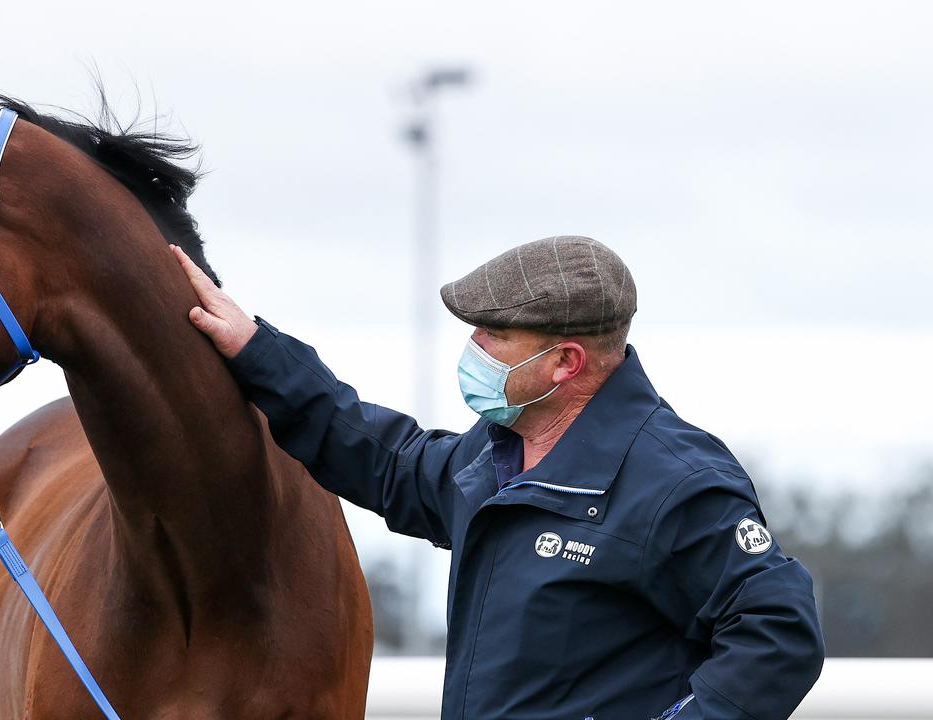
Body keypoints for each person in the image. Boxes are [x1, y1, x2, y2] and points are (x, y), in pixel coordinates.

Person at [170, 235, 825, 719]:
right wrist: (257, 350)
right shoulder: (492, 455)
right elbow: (381, 458)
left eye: (492, 335)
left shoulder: (676, 479)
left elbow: (779, 632)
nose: (472, 350)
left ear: (565, 362)